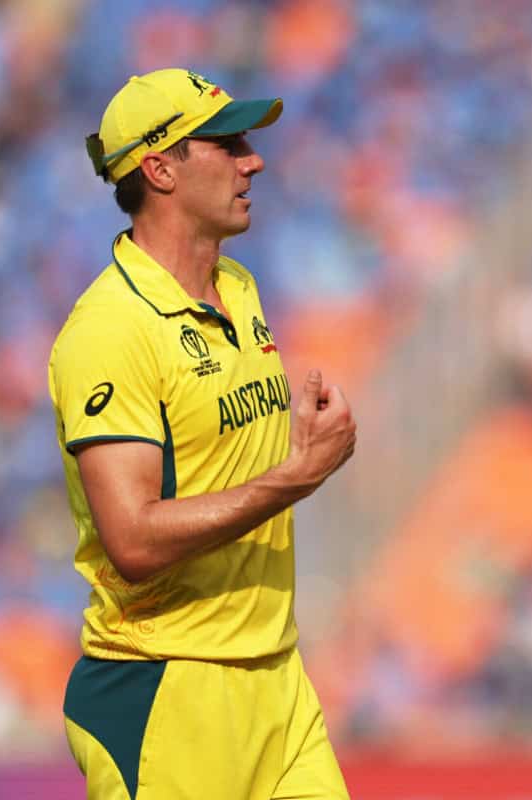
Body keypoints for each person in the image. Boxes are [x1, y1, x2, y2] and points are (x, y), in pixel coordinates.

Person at [48, 68, 356, 800]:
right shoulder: (110, 331)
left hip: (275, 680)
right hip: (165, 691)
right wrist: (299, 473)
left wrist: (298, 437)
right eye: (226, 143)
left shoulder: (238, 286)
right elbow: (133, 539)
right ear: (159, 168)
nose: (254, 160)